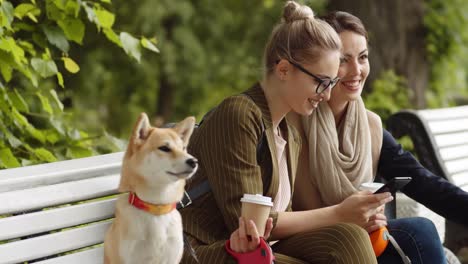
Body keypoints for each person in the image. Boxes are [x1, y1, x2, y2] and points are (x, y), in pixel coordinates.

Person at [179, 2, 394, 264]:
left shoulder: (289, 133)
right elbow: (247, 224)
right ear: (283, 70)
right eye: (321, 82)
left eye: (332, 83)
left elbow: (279, 222)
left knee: (350, 237)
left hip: (256, 251)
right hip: (203, 249)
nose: (326, 95)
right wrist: (339, 212)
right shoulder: (239, 114)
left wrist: (354, 220)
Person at [289, 10, 461, 264]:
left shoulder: (368, 125)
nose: (356, 70)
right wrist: (345, 216)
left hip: (363, 240)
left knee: (420, 237)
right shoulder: (293, 121)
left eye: (363, 57)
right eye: (343, 60)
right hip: (309, 241)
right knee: (419, 232)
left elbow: (424, 184)